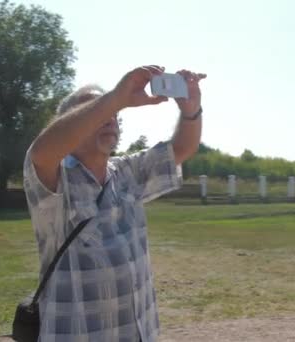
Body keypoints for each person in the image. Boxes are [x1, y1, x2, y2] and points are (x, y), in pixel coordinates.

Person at [23, 65, 206, 341]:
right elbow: (40, 153)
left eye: (113, 114)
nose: (109, 116)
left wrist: (191, 111)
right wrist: (114, 98)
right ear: (70, 127)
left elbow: (182, 148)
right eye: (96, 111)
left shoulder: (127, 171)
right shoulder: (56, 182)